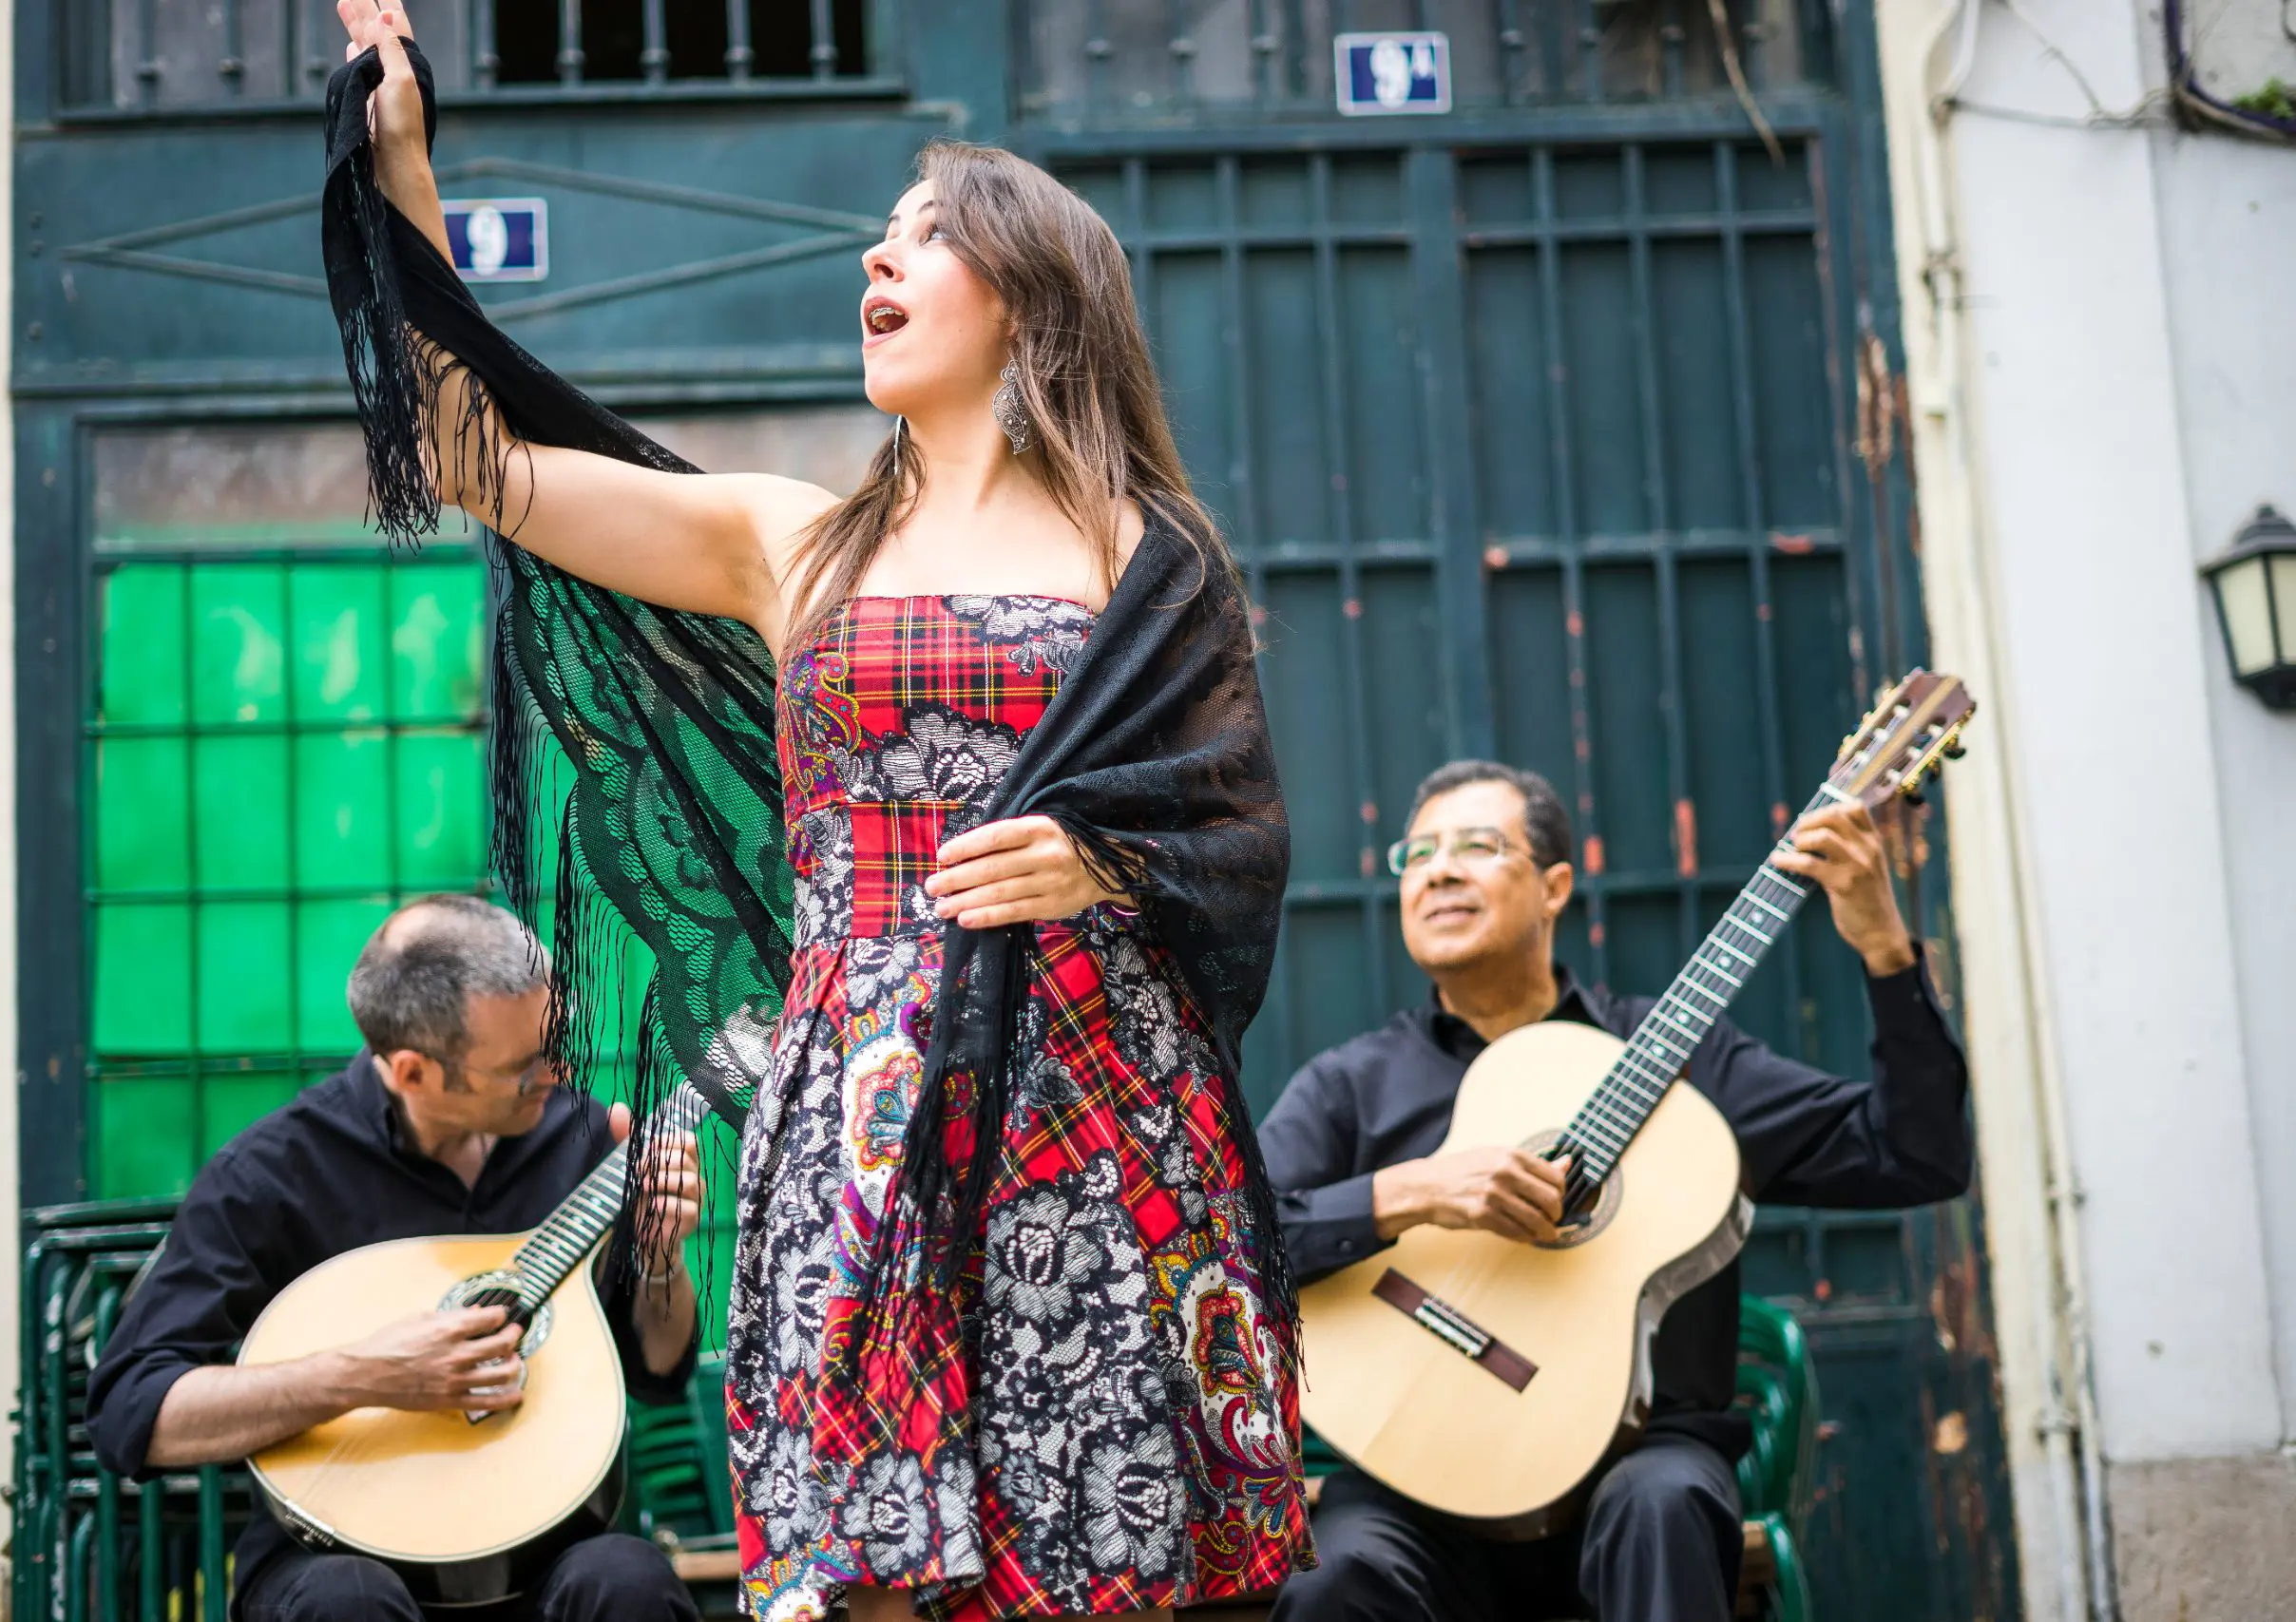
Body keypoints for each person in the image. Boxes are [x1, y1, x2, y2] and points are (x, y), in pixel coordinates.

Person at [319, 7, 1308, 1620]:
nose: (881, 251)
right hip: (859, 1095)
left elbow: (1237, 835)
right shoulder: (793, 546)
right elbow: (477, 456)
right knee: (869, 1562)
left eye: (928, 234)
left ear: (1032, 294)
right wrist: (406, 173)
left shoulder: (1152, 550)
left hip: (1106, 1100)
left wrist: (1101, 859)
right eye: (883, 230)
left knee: (1108, 1553)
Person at [1259, 761, 1975, 1622]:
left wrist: (1885, 951)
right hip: (1420, 1479)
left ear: (1555, 885)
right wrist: (1407, 1191)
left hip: (1635, 1463)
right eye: (1418, 852)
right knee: (1332, 1578)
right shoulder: (1350, 1085)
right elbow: (1234, 1246)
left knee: (1663, 1506)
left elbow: (1916, 1156)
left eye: (1478, 846)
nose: (1440, 870)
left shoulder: (1683, 1061)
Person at [86, 896, 706, 1622]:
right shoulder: (273, 1174)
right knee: (345, 1605)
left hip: (548, 1547)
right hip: (340, 1555)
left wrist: (661, 1256)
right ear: (412, 1073)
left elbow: (657, 1371)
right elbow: (133, 1409)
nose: (561, 1069)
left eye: (558, 1037)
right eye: (524, 1064)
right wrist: (366, 1375)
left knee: (628, 1580)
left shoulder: (576, 1135)